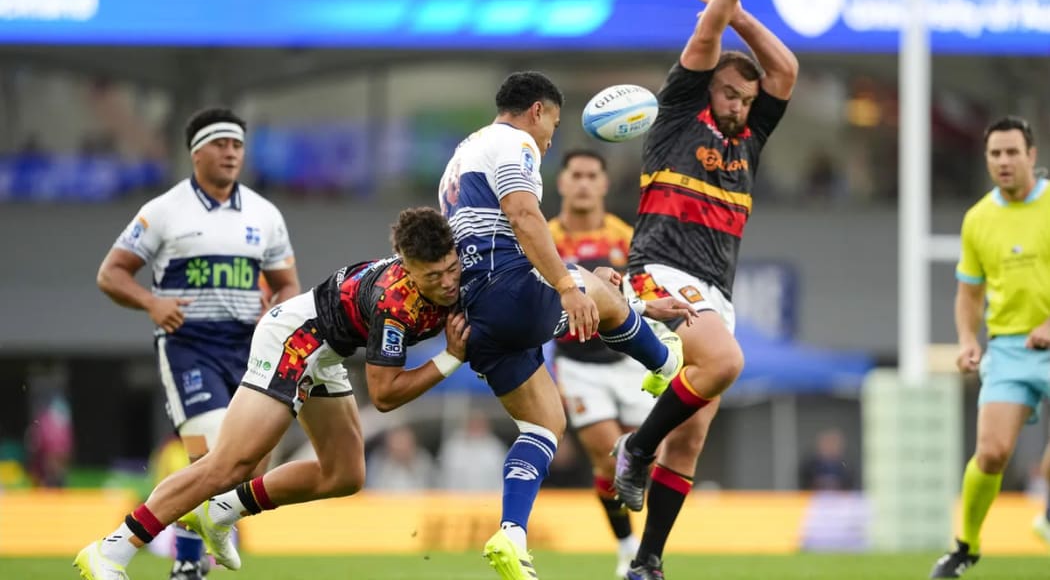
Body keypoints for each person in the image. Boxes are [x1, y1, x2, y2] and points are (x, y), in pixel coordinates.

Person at [74, 207, 470, 580]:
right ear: (407, 267)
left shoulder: (463, 264)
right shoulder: (394, 302)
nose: (448, 282)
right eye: (433, 276)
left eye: (451, 269)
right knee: (229, 465)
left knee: (345, 474)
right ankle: (112, 550)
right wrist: (451, 358)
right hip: (295, 340)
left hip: (327, 351)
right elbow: (384, 396)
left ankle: (222, 511)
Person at [438, 70, 696, 580]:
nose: (551, 136)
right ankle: (667, 365)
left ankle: (511, 533)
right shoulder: (514, 142)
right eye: (553, 123)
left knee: (542, 427)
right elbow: (523, 216)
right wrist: (567, 286)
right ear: (537, 111)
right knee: (591, 284)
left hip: (478, 311)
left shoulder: (462, 154)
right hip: (510, 291)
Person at [610, 0, 799, 579]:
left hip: (716, 288)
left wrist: (742, 11)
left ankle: (648, 562)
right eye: (730, 93)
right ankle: (634, 449)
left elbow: (785, 72)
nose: (742, 103)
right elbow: (701, 43)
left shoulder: (749, 139)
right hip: (660, 270)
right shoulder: (677, 121)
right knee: (726, 361)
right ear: (707, 91)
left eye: (747, 98)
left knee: (689, 438)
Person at [96, 107, 300, 580]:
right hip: (188, 347)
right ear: (196, 152)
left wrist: (277, 308)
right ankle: (186, 562)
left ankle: (193, 546)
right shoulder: (164, 212)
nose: (231, 153)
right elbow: (110, 273)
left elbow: (287, 283)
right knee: (208, 454)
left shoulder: (265, 214)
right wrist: (151, 302)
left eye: (237, 146)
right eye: (220, 144)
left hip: (248, 351)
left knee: (242, 464)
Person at [929, 116, 1050, 578]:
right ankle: (966, 548)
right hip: (1010, 349)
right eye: (995, 154)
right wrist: (966, 340)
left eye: (1012, 152)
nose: (1003, 161)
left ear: (1031, 156)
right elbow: (969, 291)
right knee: (993, 452)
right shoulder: (978, 218)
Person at [548, 149, 650, 578]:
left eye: (593, 175)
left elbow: (645, 294)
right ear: (562, 183)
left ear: (605, 184)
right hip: (576, 363)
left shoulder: (626, 238)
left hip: (628, 360)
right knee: (609, 462)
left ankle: (642, 541)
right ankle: (628, 548)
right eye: (577, 175)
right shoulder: (544, 239)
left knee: (642, 460)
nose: (585, 183)